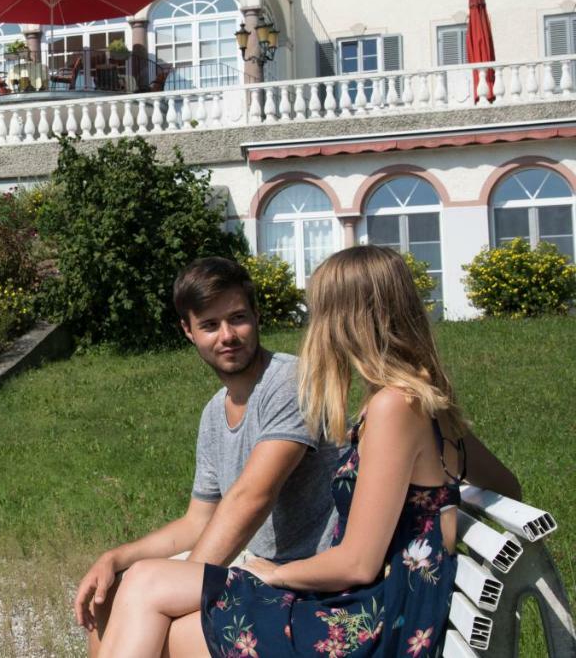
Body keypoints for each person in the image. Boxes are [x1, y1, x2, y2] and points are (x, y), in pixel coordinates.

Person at [95, 245, 522, 658]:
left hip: (364, 624)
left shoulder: (394, 406)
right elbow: (507, 487)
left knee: (151, 595)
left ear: (349, 320)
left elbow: (357, 564)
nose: (314, 327)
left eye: (320, 312)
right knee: (144, 585)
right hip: (377, 609)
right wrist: (435, 527)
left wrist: (272, 575)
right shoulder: (421, 399)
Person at [74, 257, 339, 655]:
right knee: (109, 598)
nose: (227, 335)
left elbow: (253, 497)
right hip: (257, 571)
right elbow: (199, 520)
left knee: (154, 603)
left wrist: (176, 582)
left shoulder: (290, 381)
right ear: (189, 331)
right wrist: (116, 557)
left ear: (257, 315)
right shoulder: (215, 412)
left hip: (305, 582)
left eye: (238, 318)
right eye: (211, 325)